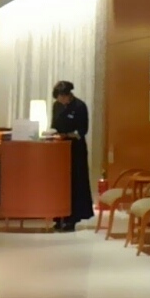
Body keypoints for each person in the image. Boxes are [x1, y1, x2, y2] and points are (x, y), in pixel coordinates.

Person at [51, 80, 93, 232]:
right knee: (60, 183)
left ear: (67, 95)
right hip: (60, 148)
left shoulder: (80, 106)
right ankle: (58, 216)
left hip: (76, 149)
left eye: (62, 98)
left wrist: (68, 134)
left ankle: (73, 218)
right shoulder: (57, 106)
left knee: (75, 182)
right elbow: (54, 125)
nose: (60, 101)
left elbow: (82, 131)